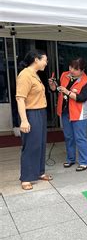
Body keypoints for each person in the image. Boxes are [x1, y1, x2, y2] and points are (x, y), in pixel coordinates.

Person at [49, 57, 87, 171]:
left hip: (79, 114)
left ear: (82, 70)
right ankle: (71, 159)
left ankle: (84, 162)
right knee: (68, 137)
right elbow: (56, 90)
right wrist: (52, 85)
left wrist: (67, 92)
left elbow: (82, 98)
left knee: (80, 138)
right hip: (65, 111)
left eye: (75, 69)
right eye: (71, 67)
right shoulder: (65, 75)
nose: (72, 70)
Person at [16, 49, 52, 190]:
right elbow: (20, 99)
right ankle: (26, 178)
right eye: (45, 60)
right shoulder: (25, 75)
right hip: (31, 113)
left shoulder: (35, 75)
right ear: (36, 60)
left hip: (40, 112)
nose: (46, 63)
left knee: (41, 144)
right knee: (31, 145)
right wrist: (24, 120)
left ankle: (39, 172)